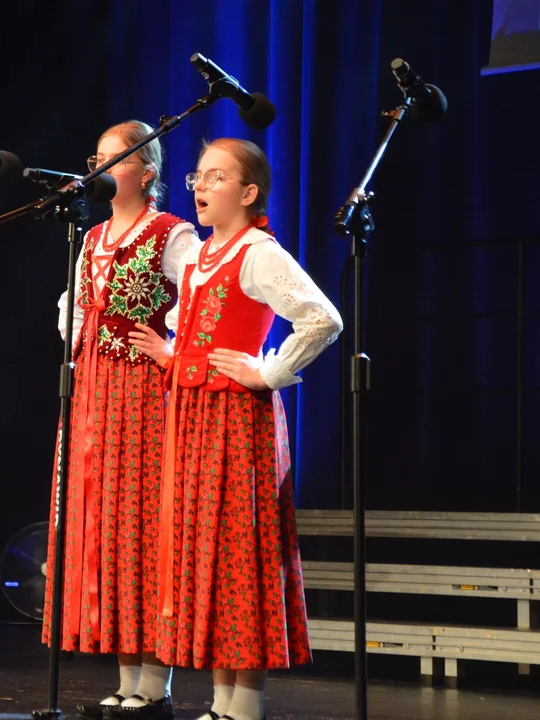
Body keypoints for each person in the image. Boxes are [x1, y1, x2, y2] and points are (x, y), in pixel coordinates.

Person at [153, 138, 343, 720]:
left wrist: (268, 371)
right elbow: (191, 327)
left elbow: (322, 318)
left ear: (248, 192)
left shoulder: (259, 252)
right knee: (206, 552)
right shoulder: (201, 256)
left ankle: (247, 705)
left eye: (216, 178)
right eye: (198, 178)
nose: (202, 187)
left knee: (240, 551)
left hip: (238, 421)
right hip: (194, 418)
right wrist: (174, 356)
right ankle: (221, 702)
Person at [41, 119, 201, 718]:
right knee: (104, 527)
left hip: (142, 397)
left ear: (147, 171)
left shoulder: (171, 233)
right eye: (98, 154)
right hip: (93, 395)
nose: (101, 164)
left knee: (140, 529)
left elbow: (202, 295)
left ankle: (154, 683)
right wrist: (85, 341)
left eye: (116, 156)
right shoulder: (91, 237)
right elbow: (73, 307)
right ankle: (127, 676)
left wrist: (172, 346)